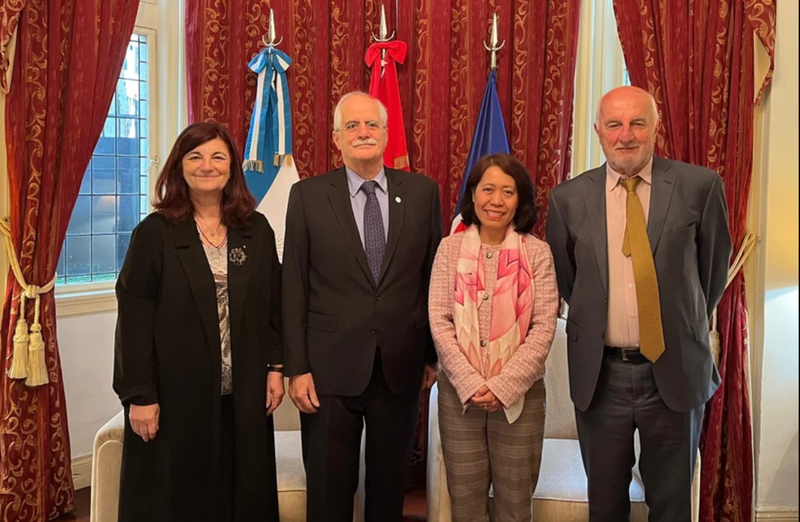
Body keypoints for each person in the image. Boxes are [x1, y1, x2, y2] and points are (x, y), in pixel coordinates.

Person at [546, 86, 732, 522]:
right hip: (602, 375)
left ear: (655, 127)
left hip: (674, 368)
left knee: (670, 504)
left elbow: (711, 273)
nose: (625, 135)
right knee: (605, 504)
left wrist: (674, 318)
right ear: (598, 131)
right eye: (614, 124)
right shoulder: (567, 198)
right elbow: (570, 281)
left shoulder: (699, 186)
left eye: (637, 123)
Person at [282, 91, 442, 522]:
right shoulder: (307, 196)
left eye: (371, 124)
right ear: (336, 138)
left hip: (400, 367)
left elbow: (432, 280)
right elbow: (293, 286)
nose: (363, 132)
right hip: (327, 371)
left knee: (389, 489)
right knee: (330, 490)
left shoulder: (424, 193)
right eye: (351, 126)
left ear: (387, 134)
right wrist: (296, 368)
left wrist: (430, 356)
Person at [113, 121, 284, 522]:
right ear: (179, 166)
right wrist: (139, 394)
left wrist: (276, 368)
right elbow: (134, 318)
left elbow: (274, 306)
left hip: (242, 395)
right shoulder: (154, 233)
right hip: (174, 401)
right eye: (195, 156)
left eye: (217, 156)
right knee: (178, 500)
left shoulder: (255, 230)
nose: (207, 165)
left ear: (232, 168)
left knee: (241, 495)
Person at [429, 153, 559, 521]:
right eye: (488, 189)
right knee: (466, 505)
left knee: (515, 506)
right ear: (473, 195)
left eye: (508, 191)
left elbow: (544, 327)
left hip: (522, 399)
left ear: (521, 201)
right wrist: (471, 382)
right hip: (460, 397)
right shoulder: (448, 249)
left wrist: (504, 386)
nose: (496, 201)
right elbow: (439, 321)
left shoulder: (538, 254)